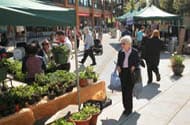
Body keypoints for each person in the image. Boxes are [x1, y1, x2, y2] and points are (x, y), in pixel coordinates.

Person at [116, 35, 140, 116]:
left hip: (130, 73)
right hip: (123, 73)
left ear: (129, 44)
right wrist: (118, 66)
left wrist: (134, 66)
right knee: (124, 91)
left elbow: (138, 62)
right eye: (121, 43)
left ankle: (129, 109)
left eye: (123, 43)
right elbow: (119, 62)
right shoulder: (120, 52)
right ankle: (125, 107)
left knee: (129, 92)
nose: (122, 45)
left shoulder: (134, 52)